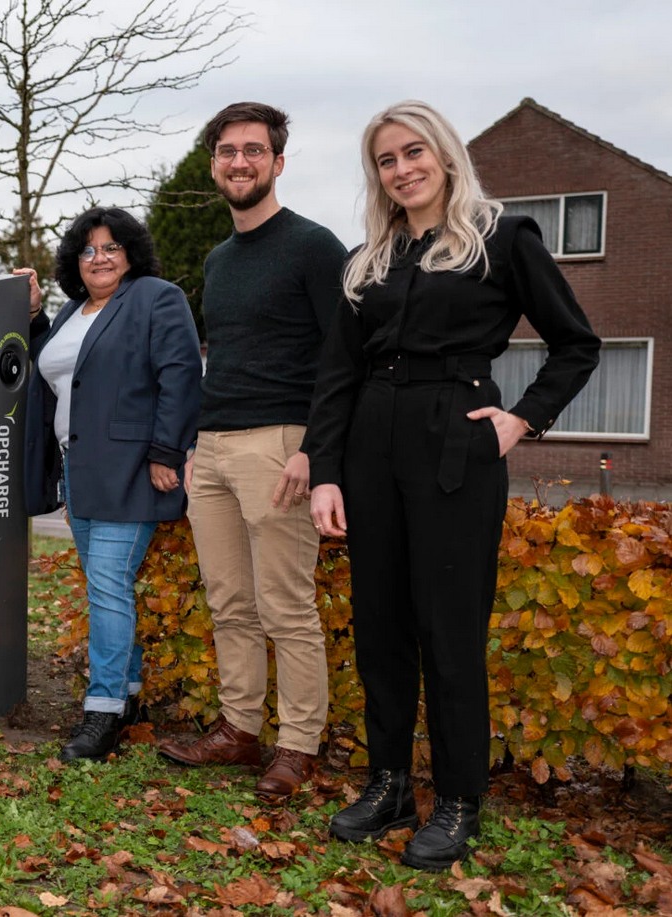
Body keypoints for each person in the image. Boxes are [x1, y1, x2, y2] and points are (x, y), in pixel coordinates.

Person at [303, 100, 599, 870]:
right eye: (386, 160)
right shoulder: (368, 259)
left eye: (412, 152)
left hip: (455, 449)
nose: (401, 169)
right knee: (382, 627)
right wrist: (325, 472)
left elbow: (577, 344)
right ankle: (390, 783)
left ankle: (460, 798)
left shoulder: (502, 238)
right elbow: (336, 376)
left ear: (443, 153)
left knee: (450, 632)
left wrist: (521, 419)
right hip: (371, 445)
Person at [157, 103, 346, 800]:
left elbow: (342, 358)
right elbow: (225, 356)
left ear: (277, 162)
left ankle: (297, 743)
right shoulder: (217, 258)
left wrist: (316, 453)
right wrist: (199, 445)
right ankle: (240, 729)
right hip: (215, 447)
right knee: (229, 600)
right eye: (228, 151)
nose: (240, 162)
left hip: (281, 446)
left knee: (286, 606)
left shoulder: (316, 247)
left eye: (254, 151)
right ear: (214, 164)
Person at [25, 207, 202, 762]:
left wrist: (167, 451)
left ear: (131, 253)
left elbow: (180, 374)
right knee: (108, 589)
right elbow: (54, 369)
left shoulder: (156, 297)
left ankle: (100, 711)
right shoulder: (70, 312)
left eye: (110, 248)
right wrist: (32, 317)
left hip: (131, 469)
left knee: (106, 586)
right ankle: (125, 699)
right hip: (78, 470)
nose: (98, 258)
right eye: (87, 250)